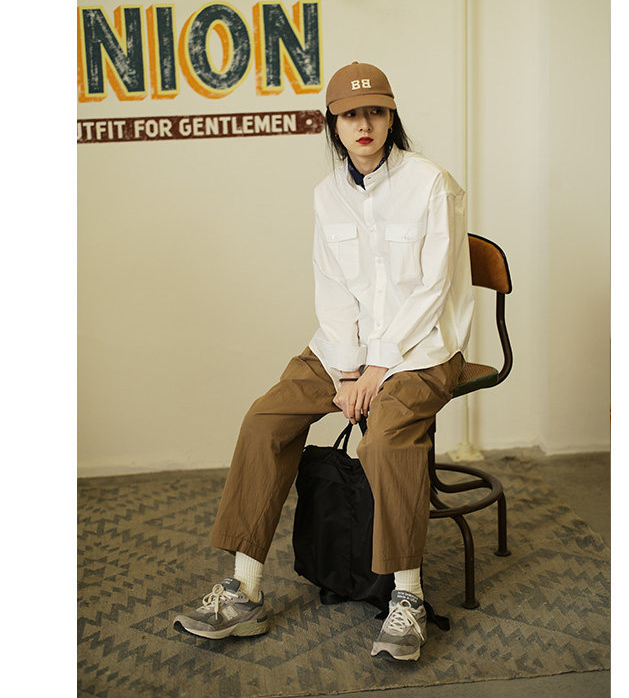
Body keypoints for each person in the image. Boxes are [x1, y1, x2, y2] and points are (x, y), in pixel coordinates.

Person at [173, 62, 474, 662]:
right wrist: (348, 369)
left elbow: (434, 288)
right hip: (343, 348)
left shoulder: (431, 183)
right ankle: (244, 589)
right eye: (350, 115)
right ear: (332, 124)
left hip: (423, 350)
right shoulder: (327, 194)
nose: (364, 125)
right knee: (265, 420)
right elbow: (332, 288)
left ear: (391, 117)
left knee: (383, 443)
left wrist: (379, 367)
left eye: (375, 112)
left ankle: (408, 597)